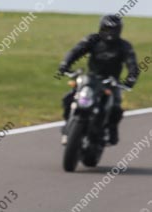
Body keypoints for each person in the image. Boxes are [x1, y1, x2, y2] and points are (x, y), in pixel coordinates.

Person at [58, 13, 139, 145]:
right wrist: (65, 64)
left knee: (116, 108)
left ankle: (111, 131)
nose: (110, 33)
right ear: (101, 28)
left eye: (113, 30)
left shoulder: (124, 46)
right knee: (69, 97)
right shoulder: (92, 40)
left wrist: (130, 80)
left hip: (111, 82)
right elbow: (76, 51)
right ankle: (68, 125)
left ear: (119, 30)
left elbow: (132, 64)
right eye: (107, 29)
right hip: (91, 78)